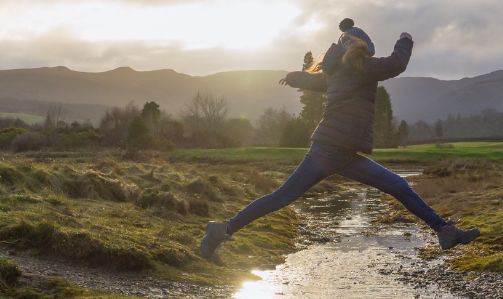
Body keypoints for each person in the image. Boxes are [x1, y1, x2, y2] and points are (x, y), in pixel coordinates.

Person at [201, 19, 480, 259]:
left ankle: (444, 230)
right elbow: (397, 64)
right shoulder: (361, 67)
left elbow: (312, 81)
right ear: (362, 49)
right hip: (330, 150)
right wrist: (405, 39)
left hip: (339, 153)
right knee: (286, 196)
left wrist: (292, 77)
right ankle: (221, 229)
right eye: (368, 52)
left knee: (396, 186)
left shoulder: (335, 71)